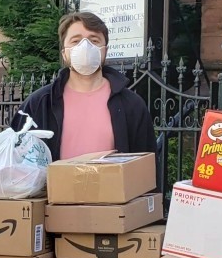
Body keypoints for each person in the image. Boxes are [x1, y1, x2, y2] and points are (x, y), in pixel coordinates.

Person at [12, 11, 157, 161]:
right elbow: (15, 162)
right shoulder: (40, 104)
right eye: (75, 41)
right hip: (57, 185)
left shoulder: (131, 105)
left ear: (105, 51)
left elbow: (146, 167)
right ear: (64, 54)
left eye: (94, 40)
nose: (85, 47)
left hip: (110, 185)